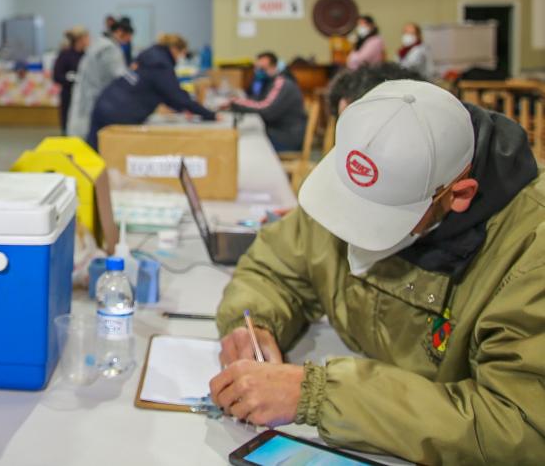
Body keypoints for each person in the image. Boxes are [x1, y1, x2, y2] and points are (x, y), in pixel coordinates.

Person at [209, 79, 545, 463]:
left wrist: (321, 395)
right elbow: (274, 266)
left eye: (380, 216)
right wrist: (252, 325)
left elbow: (518, 427)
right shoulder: (365, 173)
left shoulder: (528, 254)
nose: (351, 226)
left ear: (459, 194)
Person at [86, 34, 216, 148]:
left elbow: (167, 94)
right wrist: (210, 115)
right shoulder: (161, 65)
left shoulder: (150, 57)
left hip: (105, 104)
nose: (181, 57)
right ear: (174, 49)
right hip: (117, 114)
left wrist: (183, 107)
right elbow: (176, 96)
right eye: (182, 53)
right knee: (108, 156)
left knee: (93, 155)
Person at [67, 17, 134, 141]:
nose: (129, 40)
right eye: (129, 37)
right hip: (94, 99)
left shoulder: (98, 45)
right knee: (90, 137)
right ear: (120, 32)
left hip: (87, 97)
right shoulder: (109, 49)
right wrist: (136, 79)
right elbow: (120, 75)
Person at [225, 52, 306, 152]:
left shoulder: (282, 82)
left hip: (287, 138)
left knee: (245, 145)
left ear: (274, 67)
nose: (258, 72)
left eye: (262, 69)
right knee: (244, 137)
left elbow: (267, 109)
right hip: (277, 131)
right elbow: (258, 100)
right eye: (257, 68)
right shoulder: (269, 81)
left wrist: (236, 102)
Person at [52, 26, 90, 134]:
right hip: (68, 95)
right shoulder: (65, 55)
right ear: (80, 39)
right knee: (67, 126)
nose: (89, 40)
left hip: (84, 96)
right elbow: (56, 76)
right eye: (87, 37)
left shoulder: (88, 56)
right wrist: (71, 79)